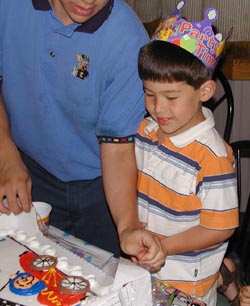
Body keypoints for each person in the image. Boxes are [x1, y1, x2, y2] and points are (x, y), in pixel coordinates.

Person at [0, 0, 166, 270]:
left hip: (102, 186)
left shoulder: (127, 39)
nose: (89, 1)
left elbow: (118, 149)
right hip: (28, 169)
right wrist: (5, 153)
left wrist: (127, 227)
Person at [134, 0, 239, 304]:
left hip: (185, 283)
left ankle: (222, 276)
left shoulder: (213, 158)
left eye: (171, 97)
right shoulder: (147, 131)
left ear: (204, 92)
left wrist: (164, 246)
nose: (158, 107)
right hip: (144, 266)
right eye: (149, 93)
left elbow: (219, 228)